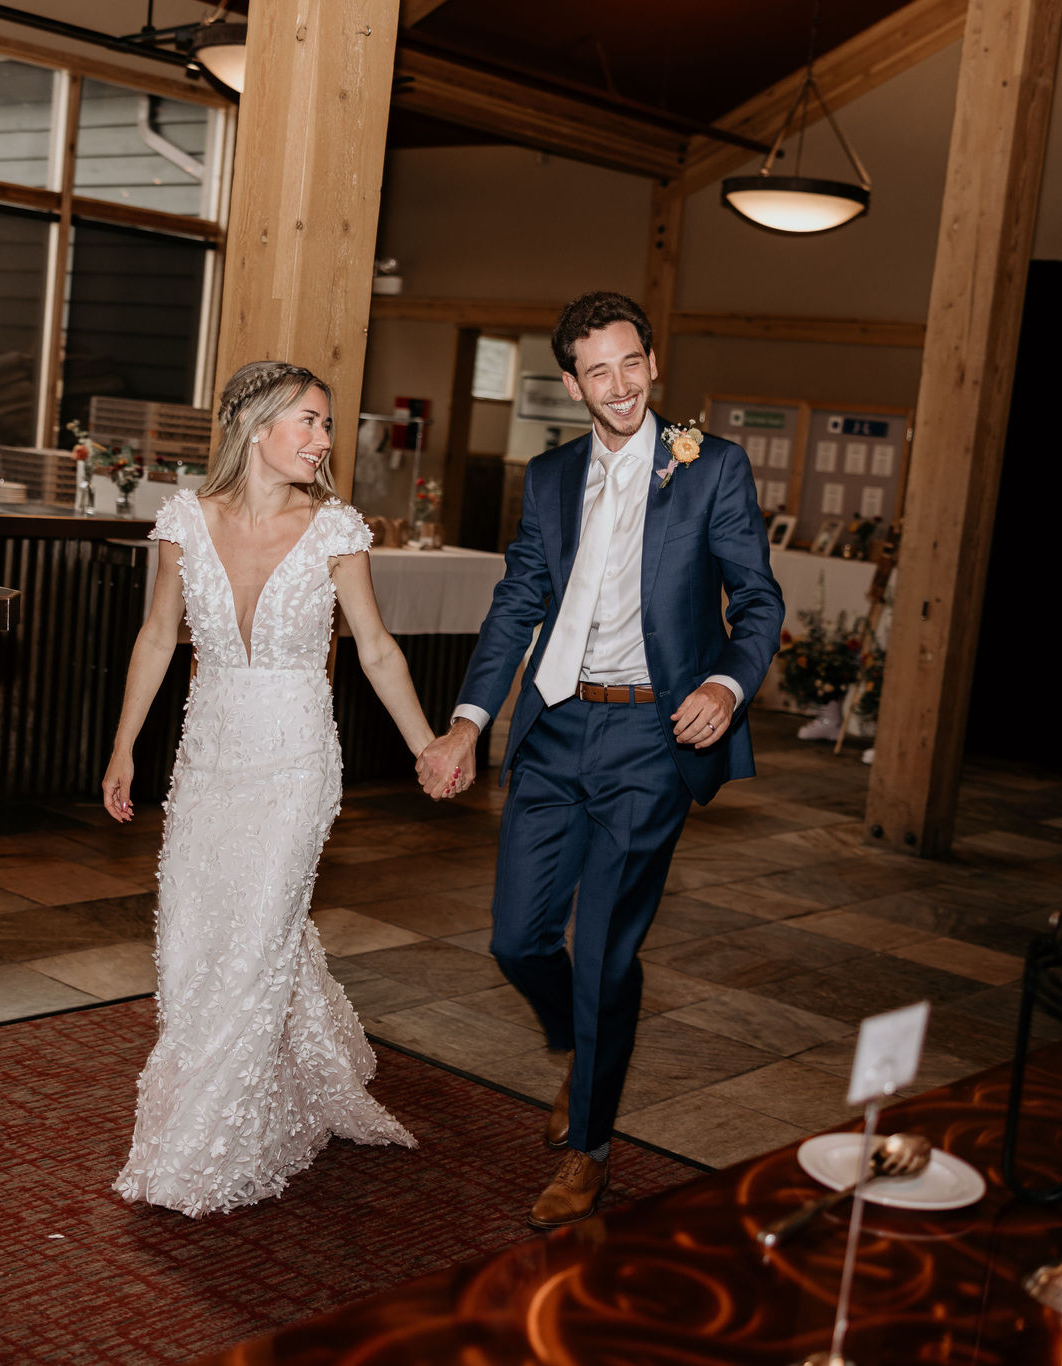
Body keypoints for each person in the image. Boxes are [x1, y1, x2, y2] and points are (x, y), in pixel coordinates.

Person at [414, 291, 784, 1229]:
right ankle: (583, 1046)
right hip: (553, 729)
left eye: (630, 363)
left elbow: (759, 601)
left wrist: (726, 686)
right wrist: (466, 721)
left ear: (652, 362)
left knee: (604, 953)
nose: (617, 386)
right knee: (516, 939)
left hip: (653, 741)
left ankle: (589, 1151)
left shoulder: (713, 469)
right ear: (572, 381)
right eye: (596, 371)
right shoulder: (549, 478)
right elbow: (517, 602)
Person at [104, 360, 443, 1217]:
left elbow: (375, 651)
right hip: (207, 757)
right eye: (311, 422)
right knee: (190, 941)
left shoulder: (335, 530)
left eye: (326, 425)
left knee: (255, 938)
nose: (325, 440)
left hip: (294, 761)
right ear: (258, 428)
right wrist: (122, 751)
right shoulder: (184, 519)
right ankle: (292, 1072)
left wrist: (427, 746)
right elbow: (155, 639)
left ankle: (204, 1145)